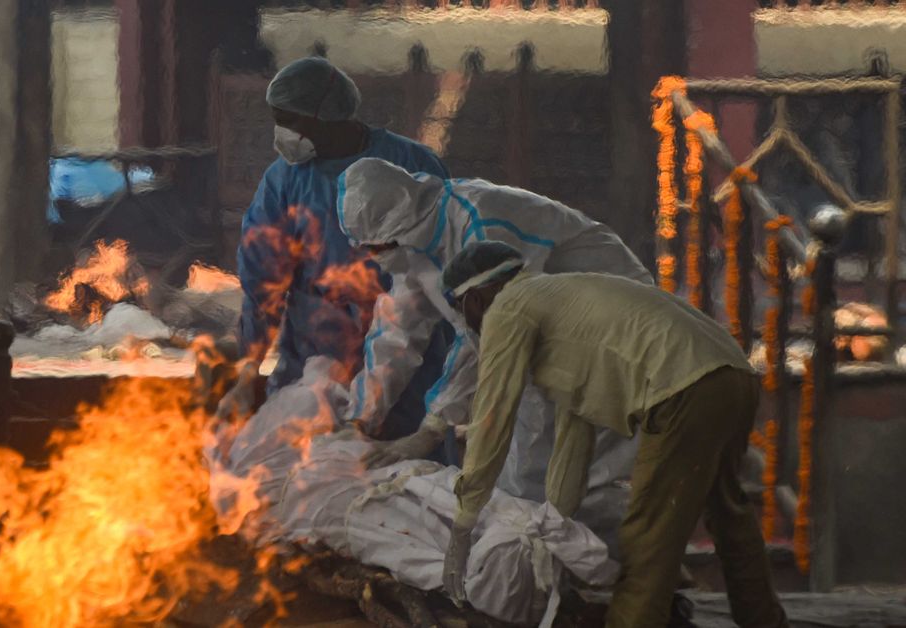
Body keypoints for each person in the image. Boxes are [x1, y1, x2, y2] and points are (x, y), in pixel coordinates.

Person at [439, 241, 788, 628]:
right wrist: (557, 524)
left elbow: (492, 414)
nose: (467, 325)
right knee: (727, 513)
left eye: (460, 312)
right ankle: (765, 622)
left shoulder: (508, 306)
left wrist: (463, 521)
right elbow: (574, 439)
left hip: (684, 389)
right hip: (732, 376)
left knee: (646, 539)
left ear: (472, 300)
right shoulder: (563, 303)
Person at [336, 157, 650, 549]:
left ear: (402, 226)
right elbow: (397, 330)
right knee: (529, 478)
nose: (375, 256)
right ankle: (564, 568)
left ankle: (609, 575)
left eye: (379, 247)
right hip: (543, 344)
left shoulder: (482, 220)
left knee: (576, 477)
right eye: (368, 248)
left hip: (606, 334)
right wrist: (361, 415)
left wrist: (434, 426)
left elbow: (494, 330)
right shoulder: (417, 241)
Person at [222, 57, 451, 441]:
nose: (281, 132)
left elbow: (442, 268)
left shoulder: (412, 165)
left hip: (407, 352)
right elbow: (264, 282)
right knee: (306, 465)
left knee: (407, 473)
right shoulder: (284, 180)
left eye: (289, 120)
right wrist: (248, 371)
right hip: (314, 352)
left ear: (326, 117)